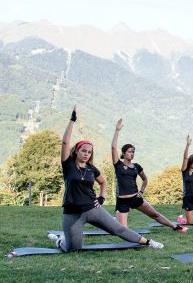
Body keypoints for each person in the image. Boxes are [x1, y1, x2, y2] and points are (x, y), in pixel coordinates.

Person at [47, 105, 163, 252]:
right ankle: (60, 240)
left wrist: (101, 197)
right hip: (72, 212)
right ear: (76, 151)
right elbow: (65, 143)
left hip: (92, 208)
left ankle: (149, 242)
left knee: (117, 229)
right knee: (73, 249)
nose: (86, 154)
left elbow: (103, 182)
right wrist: (72, 120)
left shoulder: (91, 169)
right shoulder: (68, 165)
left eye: (89, 152)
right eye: (83, 151)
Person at [111, 119, 187, 232]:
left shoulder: (137, 166)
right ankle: (115, 219)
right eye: (129, 151)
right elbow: (113, 147)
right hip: (122, 201)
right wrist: (117, 131)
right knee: (124, 230)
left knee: (155, 214)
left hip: (135, 198)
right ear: (123, 153)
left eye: (133, 151)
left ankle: (175, 227)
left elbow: (145, 179)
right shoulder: (118, 165)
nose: (132, 153)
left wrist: (141, 191)